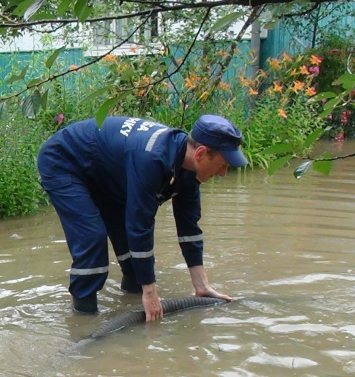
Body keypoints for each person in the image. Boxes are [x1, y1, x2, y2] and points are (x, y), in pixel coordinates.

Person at [37, 114, 245, 320]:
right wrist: (150, 292)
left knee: (136, 261)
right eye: (222, 165)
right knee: (92, 240)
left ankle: (131, 299)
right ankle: (84, 322)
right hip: (65, 162)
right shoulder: (152, 159)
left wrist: (202, 286)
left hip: (107, 172)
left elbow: (189, 228)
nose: (223, 173)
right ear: (200, 153)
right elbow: (140, 225)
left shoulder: (188, 168)